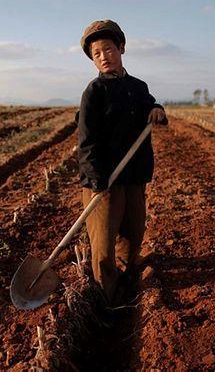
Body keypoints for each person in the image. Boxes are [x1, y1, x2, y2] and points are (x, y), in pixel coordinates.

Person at [76, 19, 167, 305]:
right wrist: (96, 180)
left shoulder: (138, 87)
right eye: (97, 54)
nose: (104, 57)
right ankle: (107, 300)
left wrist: (157, 109)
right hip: (104, 182)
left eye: (108, 50)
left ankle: (129, 283)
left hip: (133, 176)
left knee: (133, 232)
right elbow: (87, 143)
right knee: (103, 244)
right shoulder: (94, 93)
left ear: (122, 48)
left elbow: (151, 104)